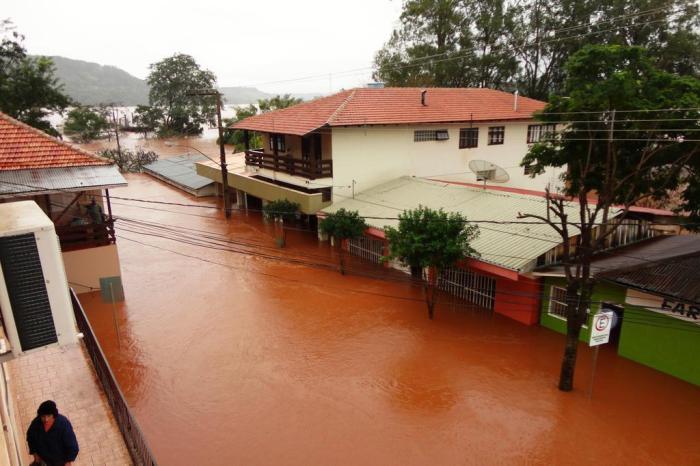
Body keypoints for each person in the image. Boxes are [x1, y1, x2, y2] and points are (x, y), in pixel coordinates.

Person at [26, 400, 79, 466]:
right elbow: (30, 437)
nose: (46, 419)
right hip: (43, 461)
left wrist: (68, 462)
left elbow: (72, 446)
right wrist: (35, 455)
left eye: (48, 416)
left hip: (59, 462)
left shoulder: (63, 424)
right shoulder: (36, 423)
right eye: (43, 416)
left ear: (53, 415)